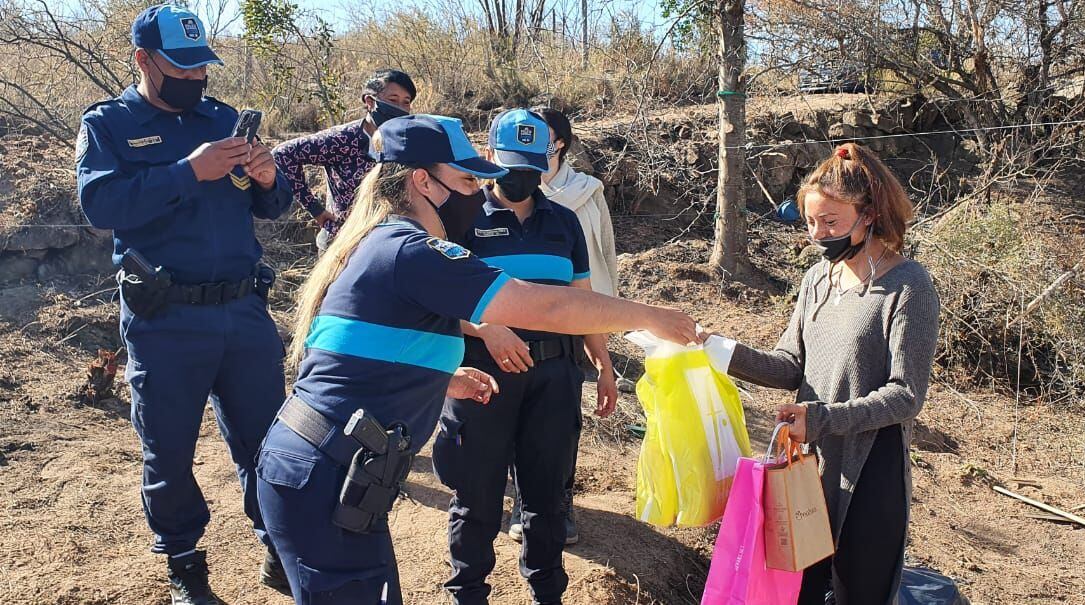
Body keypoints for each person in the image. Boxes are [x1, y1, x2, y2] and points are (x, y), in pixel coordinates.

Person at [254, 114, 700, 605]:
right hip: (326, 474)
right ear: (423, 181)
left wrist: (443, 377)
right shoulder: (413, 251)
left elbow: (357, 348)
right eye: (467, 178)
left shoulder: (383, 243)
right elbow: (546, 305)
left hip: (337, 472)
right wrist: (651, 317)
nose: (479, 189)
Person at [75, 5, 294, 604]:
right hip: (165, 318)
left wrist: (271, 178)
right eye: (182, 66)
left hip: (244, 311)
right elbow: (100, 207)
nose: (197, 78)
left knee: (269, 440)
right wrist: (185, 172)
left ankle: (278, 546)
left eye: (203, 66)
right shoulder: (110, 124)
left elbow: (271, 209)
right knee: (168, 448)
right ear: (143, 59)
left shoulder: (223, 119)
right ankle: (185, 563)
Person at [710, 143, 940, 605]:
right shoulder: (818, 279)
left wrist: (821, 418)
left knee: (862, 592)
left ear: (869, 214)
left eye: (830, 222)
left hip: (869, 468)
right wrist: (715, 350)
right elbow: (789, 364)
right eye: (810, 222)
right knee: (803, 591)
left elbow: (906, 395)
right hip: (807, 467)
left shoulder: (907, 286)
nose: (817, 234)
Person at [431, 109, 617, 604]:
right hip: (484, 376)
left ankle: (546, 593)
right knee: (478, 496)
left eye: (533, 167)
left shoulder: (564, 222)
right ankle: (468, 593)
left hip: (555, 372)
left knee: (546, 496)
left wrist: (603, 364)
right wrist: (486, 328)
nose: (522, 178)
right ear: (489, 156)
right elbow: (437, 296)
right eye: (512, 164)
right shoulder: (461, 219)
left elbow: (582, 301)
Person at [272, 69, 416, 251]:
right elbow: (283, 153)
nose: (400, 109)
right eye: (393, 100)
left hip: (385, 244)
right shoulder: (342, 139)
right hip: (342, 244)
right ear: (370, 102)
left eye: (406, 102)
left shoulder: (405, 142)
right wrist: (314, 208)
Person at [532, 106, 619, 297]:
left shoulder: (588, 188)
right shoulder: (520, 192)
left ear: (560, 142)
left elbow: (607, 248)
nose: (536, 141)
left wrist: (613, 297)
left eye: (543, 134)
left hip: (588, 296)